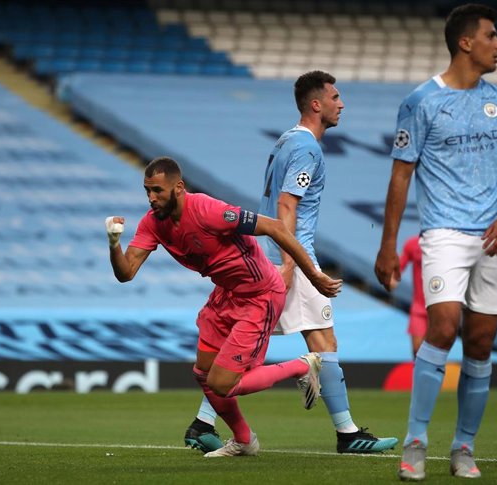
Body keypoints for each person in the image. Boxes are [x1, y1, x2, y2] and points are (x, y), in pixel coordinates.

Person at [184, 70, 398, 455]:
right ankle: (347, 434)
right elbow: (287, 204)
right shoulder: (307, 148)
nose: (341, 103)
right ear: (316, 104)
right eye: (335, 97)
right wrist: (292, 262)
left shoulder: (286, 140)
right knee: (322, 340)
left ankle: (202, 422)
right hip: (288, 256)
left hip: (259, 256)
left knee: (246, 350)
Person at [108, 156, 343, 457]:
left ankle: (303, 365)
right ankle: (244, 440)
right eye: (147, 191)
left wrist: (313, 275)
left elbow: (275, 227)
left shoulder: (209, 211)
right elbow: (126, 273)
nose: (151, 198)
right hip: (226, 294)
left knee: (222, 383)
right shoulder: (152, 224)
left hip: (260, 295)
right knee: (203, 373)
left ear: (178, 188)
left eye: (157, 190)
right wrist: (114, 243)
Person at [374, 4, 497, 481]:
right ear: (465, 42)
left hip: (493, 238)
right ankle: (416, 442)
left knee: (481, 342)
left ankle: (464, 447)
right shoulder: (421, 102)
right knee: (443, 326)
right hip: (442, 233)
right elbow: (400, 179)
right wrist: (388, 245)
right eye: (491, 36)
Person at [397, 234, 428, 358]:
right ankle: (418, 376)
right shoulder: (412, 244)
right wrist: (392, 278)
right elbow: (398, 268)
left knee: (435, 352)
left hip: (439, 308)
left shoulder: (446, 243)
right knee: (417, 350)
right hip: (419, 309)